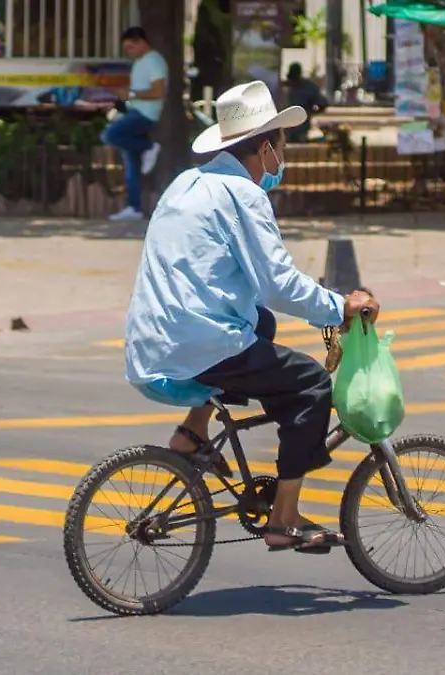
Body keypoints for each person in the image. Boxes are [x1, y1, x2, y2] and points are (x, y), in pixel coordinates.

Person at [123, 80, 380, 553]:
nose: (283, 159)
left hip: (153, 337)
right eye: (282, 146)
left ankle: (192, 433)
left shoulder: (186, 182)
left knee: (261, 323)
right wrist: (340, 306)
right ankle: (284, 520)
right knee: (310, 385)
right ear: (265, 148)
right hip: (199, 340)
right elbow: (277, 282)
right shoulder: (244, 196)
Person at [101, 26, 167, 222]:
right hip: (136, 110)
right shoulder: (141, 62)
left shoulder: (153, 61)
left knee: (110, 135)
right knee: (131, 163)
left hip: (145, 114)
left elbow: (159, 92)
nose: (128, 52)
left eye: (130, 47)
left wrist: (131, 94)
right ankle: (134, 208)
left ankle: (150, 147)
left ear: (141, 42)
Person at [282, 63, 328, 142]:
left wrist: (310, 113)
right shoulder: (285, 87)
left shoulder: (309, 88)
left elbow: (323, 104)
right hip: (285, 127)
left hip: (301, 127)